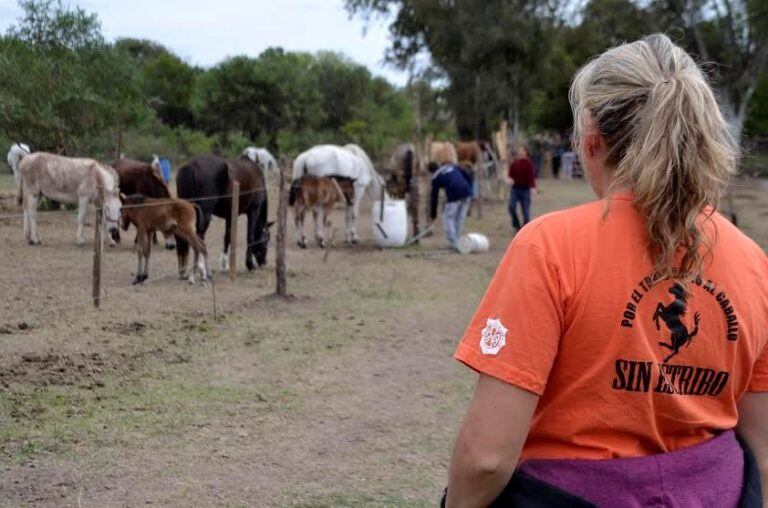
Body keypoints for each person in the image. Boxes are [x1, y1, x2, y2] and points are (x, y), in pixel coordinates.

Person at [445, 34, 768, 507]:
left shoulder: (550, 247)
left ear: (592, 141)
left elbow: (486, 458)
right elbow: (761, 441)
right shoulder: (753, 262)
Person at [429, 161, 473, 250]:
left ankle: (454, 242)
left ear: (430, 171)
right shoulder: (452, 167)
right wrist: (468, 186)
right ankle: (458, 241)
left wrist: (433, 214)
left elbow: (434, 196)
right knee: (460, 218)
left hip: (454, 193)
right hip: (466, 192)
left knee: (448, 217)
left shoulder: (436, 177)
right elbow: (467, 174)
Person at [506, 147, 536, 230]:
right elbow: (510, 175)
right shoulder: (514, 163)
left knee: (526, 212)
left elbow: (531, 176)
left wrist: (533, 187)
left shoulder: (529, 163)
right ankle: (516, 224)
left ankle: (526, 229)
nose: (521, 153)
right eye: (519, 151)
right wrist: (509, 180)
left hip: (525, 189)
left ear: (526, 153)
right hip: (515, 189)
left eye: (523, 151)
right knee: (511, 207)